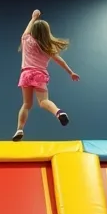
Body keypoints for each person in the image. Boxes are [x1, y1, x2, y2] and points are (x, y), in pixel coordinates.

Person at [13, 10, 79, 141]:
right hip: (39, 75)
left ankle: (19, 129)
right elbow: (60, 60)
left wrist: (33, 18)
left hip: (26, 74)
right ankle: (58, 112)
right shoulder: (47, 46)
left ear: (33, 31)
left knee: (26, 104)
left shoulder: (26, 40)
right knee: (43, 101)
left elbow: (26, 31)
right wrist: (70, 72)